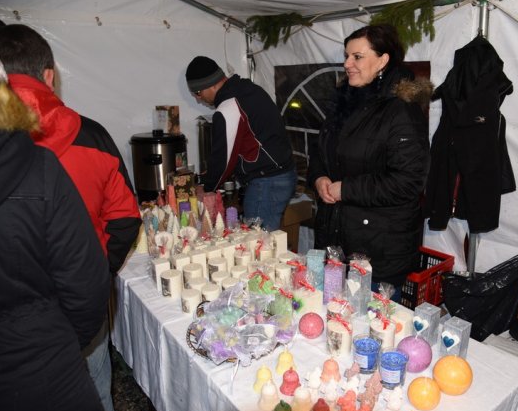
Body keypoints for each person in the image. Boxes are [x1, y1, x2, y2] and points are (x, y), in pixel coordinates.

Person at [0, 24, 142, 411]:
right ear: (49, 76)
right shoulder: (93, 136)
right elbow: (126, 217)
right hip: (80, 302)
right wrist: (99, 267)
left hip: (4, 325)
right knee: (95, 392)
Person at [307, 24, 432, 300]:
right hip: (337, 239)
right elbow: (320, 150)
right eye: (346, 56)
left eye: (357, 57)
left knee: (370, 321)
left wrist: (346, 189)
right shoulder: (344, 101)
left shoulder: (401, 110)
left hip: (379, 250)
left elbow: (408, 181)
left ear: (383, 60)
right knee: (332, 315)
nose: (347, 64)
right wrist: (319, 178)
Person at [184, 56, 296, 231]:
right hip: (280, 174)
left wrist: (206, 186)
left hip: (266, 182)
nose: (199, 99)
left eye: (198, 93)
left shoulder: (228, 106)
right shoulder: (248, 89)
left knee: (258, 241)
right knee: (266, 238)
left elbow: (223, 158)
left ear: (211, 84)